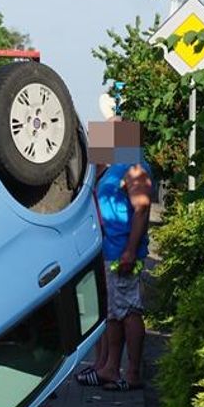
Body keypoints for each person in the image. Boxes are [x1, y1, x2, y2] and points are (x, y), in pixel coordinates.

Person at [77, 118, 153, 391]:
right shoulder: (114, 166)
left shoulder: (134, 167)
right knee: (114, 312)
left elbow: (142, 209)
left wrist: (130, 250)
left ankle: (131, 373)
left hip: (122, 251)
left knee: (129, 310)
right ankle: (110, 368)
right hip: (110, 250)